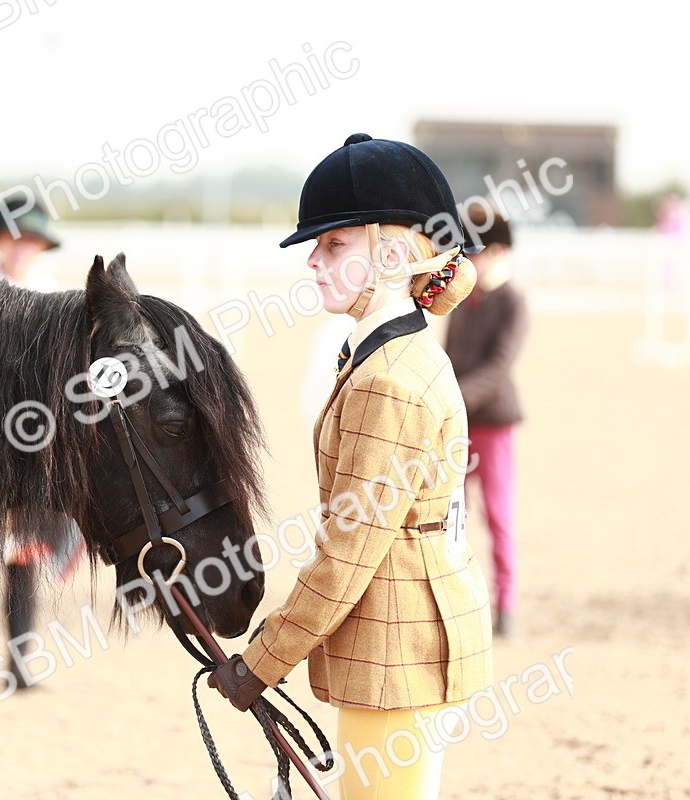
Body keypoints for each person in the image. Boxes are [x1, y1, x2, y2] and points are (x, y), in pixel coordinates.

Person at [209, 135, 493, 799]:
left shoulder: (386, 382)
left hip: (396, 649)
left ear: (393, 254)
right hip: (407, 639)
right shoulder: (388, 354)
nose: (313, 259)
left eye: (335, 245)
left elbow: (347, 554)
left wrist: (262, 662)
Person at [0, 193, 83, 692]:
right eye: (17, 236)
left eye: (33, 238)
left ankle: (20, 663)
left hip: (32, 445)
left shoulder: (54, 296)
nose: (24, 247)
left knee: (25, 555)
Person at [443, 208, 527, 639]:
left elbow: (499, 366)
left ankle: (507, 603)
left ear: (497, 251)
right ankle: (458, 600)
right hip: (457, 423)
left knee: (498, 514)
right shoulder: (462, 300)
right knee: (453, 512)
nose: (468, 262)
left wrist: (453, 394)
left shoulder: (512, 299)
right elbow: (448, 355)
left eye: (476, 253)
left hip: (493, 422)